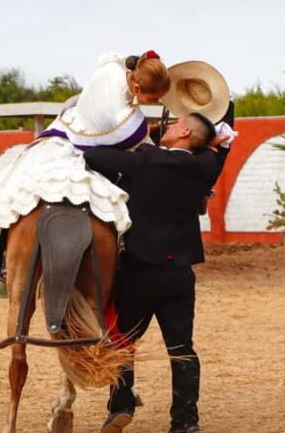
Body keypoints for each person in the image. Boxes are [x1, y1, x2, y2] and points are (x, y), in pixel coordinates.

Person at [83, 103, 235, 433]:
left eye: (174, 123)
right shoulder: (206, 167)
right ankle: (185, 422)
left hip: (138, 272)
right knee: (182, 349)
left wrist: (141, 138)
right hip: (179, 274)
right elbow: (222, 143)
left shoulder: (145, 160)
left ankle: (120, 407)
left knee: (121, 345)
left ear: (184, 133)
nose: (166, 126)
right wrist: (222, 109)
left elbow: (94, 156)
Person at [0, 51, 170, 266]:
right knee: (123, 194)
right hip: (87, 152)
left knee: (16, 187)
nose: (155, 102)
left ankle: (4, 255)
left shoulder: (112, 67)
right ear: (138, 88)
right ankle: (122, 250)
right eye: (154, 98)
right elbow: (140, 146)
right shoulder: (128, 118)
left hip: (58, 138)